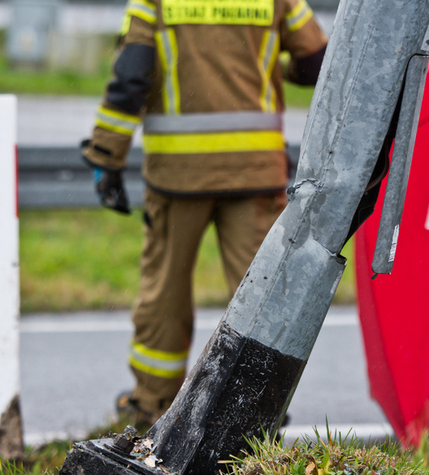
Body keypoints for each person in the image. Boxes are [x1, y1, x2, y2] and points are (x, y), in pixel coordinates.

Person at [81, 0, 328, 430]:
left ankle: (151, 404)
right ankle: (257, 405)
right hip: (253, 171)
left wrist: (107, 154)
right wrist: (273, 68)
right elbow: (316, 62)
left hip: (179, 176)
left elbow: (131, 78)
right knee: (261, 292)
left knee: (166, 292)